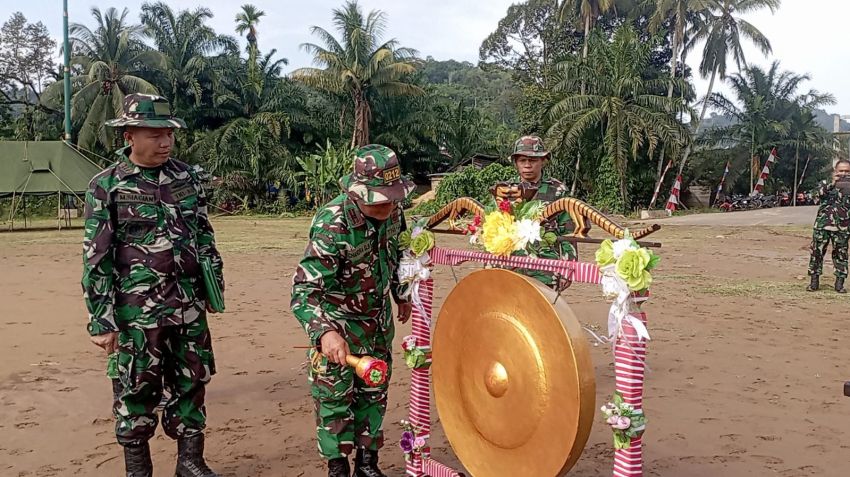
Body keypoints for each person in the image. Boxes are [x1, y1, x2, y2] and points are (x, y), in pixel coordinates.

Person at [82, 93, 224, 477]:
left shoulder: (187, 177)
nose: (165, 142)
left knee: (193, 380)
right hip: (137, 312)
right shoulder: (107, 186)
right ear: (129, 134)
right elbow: (97, 257)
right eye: (154, 134)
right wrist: (102, 319)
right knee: (136, 388)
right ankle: (138, 469)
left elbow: (204, 235)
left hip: (188, 306)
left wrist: (213, 286)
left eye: (169, 135)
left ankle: (191, 461)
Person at [291, 144, 414, 477]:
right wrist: (324, 332)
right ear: (359, 194)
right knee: (334, 399)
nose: (390, 203)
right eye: (382, 197)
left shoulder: (393, 214)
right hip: (339, 327)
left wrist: (402, 294)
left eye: (394, 196)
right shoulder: (333, 223)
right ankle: (338, 467)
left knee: (374, 391)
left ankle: (367, 464)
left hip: (376, 323)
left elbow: (398, 255)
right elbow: (304, 291)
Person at [505, 135, 577, 289]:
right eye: (522, 160)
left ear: (543, 161)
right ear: (516, 163)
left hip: (546, 269)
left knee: (542, 312)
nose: (527, 165)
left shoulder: (558, 191)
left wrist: (568, 267)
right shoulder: (506, 190)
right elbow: (494, 230)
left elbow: (569, 232)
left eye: (532, 160)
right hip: (511, 266)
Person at [807, 159, 850, 293]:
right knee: (816, 253)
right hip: (822, 225)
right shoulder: (825, 184)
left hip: (843, 226)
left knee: (841, 255)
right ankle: (814, 282)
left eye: (847, 171)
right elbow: (815, 195)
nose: (843, 174)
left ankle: (839, 284)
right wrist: (833, 183)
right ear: (835, 172)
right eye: (841, 171)